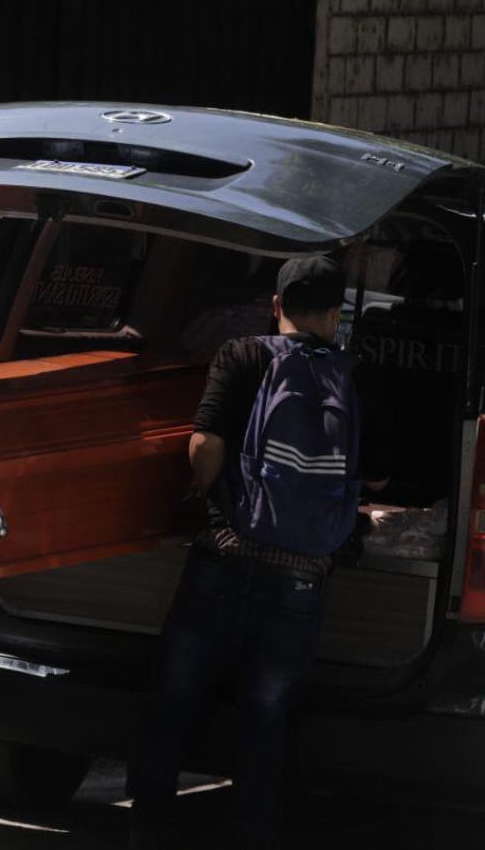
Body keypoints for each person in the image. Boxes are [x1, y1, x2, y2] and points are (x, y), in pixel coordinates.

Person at [126, 257, 389, 850]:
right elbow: (373, 479)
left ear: (276, 306)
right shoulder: (355, 374)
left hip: (226, 553)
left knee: (177, 691)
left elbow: (206, 444)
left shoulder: (243, 355)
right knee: (267, 711)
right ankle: (249, 830)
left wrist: (202, 493)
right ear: (334, 314)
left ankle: (150, 823)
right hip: (301, 575)